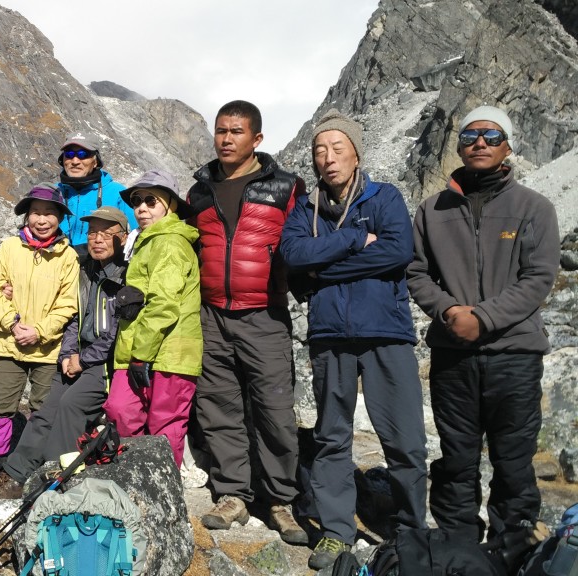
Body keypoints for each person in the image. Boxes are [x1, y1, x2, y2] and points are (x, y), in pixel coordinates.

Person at [280, 109, 428, 569]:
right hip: (330, 337)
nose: (328, 158)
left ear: (356, 151)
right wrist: (352, 240)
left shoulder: (384, 197)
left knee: (405, 438)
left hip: (386, 334)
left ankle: (410, 529)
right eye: (320, 150)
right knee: (331, 437)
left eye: (337, 148)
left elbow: (397, 251)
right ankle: (337, 531)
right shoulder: (305, 210)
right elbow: (292, 254)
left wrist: (322, 270)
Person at [407, 105, 560, 544]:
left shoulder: (534, 207)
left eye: (492, 136)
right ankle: (460, 549)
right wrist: (452, 313)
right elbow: (417, 272)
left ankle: (511, 547)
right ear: (458, 144)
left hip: (515, 355)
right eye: (472, 134)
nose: (480, 143)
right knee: (456, 458)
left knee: (513, 460)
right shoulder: (432, 209)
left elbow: (539, 276)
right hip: (453, 353)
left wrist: (485, 318)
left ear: (508, 146)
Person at [187, 100, 307, 544]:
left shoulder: (285, 187)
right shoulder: (199, 191)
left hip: (265, 314)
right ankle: (233, 494)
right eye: (220, 131)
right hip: (212, 313)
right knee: (219, 407)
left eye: (236, 131)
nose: (226, 139)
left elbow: (305, 241)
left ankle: (280, 500)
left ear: (256, 139)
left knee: (275, 410)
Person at [0, 207, 129, 502]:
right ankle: (16, 474)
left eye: (106, 233)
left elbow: (117, 331)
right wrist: (68, 353)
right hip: (78, 355)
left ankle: (54, 475)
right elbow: (74, 318)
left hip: (105, 365)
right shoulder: (86, 270)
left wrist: (83, 360)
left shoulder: (125, 276)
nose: (97, 239)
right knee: (46, 410)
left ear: (123, 239)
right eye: (92, 233)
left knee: (71, 406)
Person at [103, 170, 201, 467]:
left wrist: (139, 356)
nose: (141, 208)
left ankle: (161, 493)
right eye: (137, 202)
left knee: (164, 425)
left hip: (169, 352)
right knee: (122, 411)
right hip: (140, 349)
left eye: (150, 201)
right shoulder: (147, 242)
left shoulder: (170, 243)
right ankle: (133, 484)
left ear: (169, 205)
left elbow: (163, 305)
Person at [0, 184, 79, 462]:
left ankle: (32, 461)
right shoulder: (9, 248)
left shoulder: (68, 256)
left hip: (48, 348)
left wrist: (38, 332)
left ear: (59, 218)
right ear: (26, 216)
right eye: (35, 212)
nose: (42, 220)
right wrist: (13, 325)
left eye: (49, 213)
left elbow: (68, 304)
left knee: (43, 407)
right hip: (8, 343)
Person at [55, 132, 137, 257]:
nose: (75, 161)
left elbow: (136, 234)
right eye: (69, 154)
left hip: (105, 268)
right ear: (63, 160)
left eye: (83, 155)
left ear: (96, 162)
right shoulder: (54, 193)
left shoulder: (117, 193)